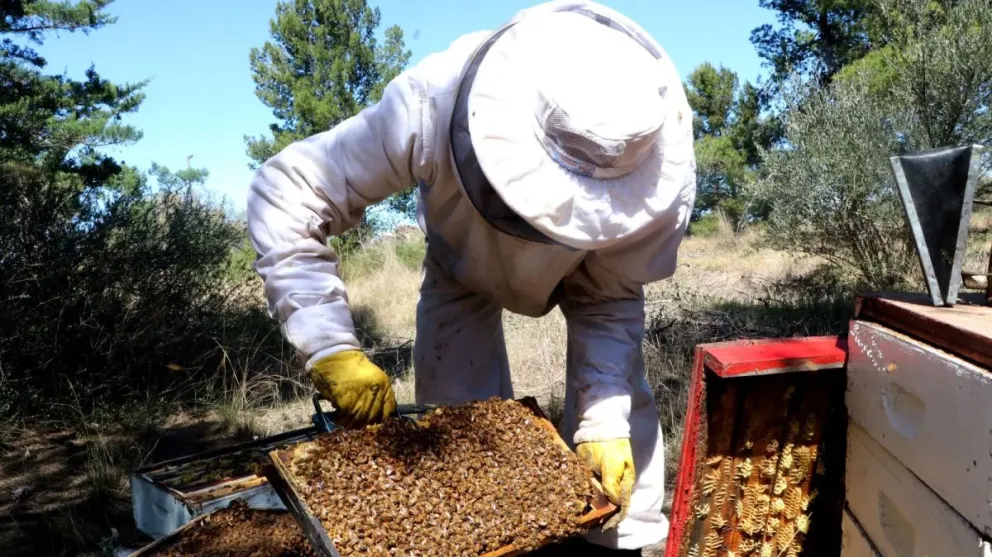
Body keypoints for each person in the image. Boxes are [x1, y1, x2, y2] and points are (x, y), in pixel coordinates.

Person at [246, 1, 696, 554]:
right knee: (454, 444)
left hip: (586, 278)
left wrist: (603, 419)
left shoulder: (654, 176)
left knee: (621, 447)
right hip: (459, 266)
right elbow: (288, 193)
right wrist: (328, 343)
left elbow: (608, 300)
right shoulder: (430, 101)